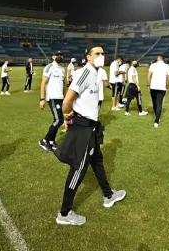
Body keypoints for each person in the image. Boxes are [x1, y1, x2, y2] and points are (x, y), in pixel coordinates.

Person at [55, 45, 126, 226]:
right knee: (78, 169)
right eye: (97, 54)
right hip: (83, 127)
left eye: (103, 53)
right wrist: (66, 115)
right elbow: (67, 100)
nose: (101, 56)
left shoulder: (97, 73)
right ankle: (64, 212)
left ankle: (108, 195)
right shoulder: (85, 73)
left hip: (92, 127)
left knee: (98, 161)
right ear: (88, 57)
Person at [39, 51, 66, 152]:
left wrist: (66, 97)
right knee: (59, 120)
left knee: (57, 120)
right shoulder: (49, 67)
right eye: (58, 55)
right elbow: (43, 83)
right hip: (53, 97)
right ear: (53, 56)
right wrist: (42, 99)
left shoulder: (63, 69)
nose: (60, 57)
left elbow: (64, 85)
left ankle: (51, 141)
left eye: (61, 55)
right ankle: (44, 140)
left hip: (60, 97)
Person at [147, 54, 169, 128]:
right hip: (161, 87)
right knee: (159, 104)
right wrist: (167, 87)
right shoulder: (167, 66)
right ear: (163, 59)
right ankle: (156, 120)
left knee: (154, 102)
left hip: (153, 87)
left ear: (158, 59)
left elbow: (148, 76)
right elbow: (168, 79)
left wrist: (148, 85)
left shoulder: (153, 65)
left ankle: (157, 117)